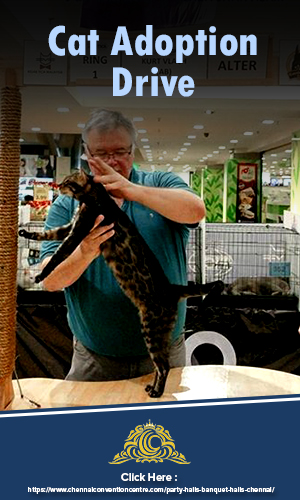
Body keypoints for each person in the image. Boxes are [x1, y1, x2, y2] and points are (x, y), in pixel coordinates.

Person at [39, 109, 205, 382]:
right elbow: (50, 280)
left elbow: (196, 210)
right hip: (94, 356)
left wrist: (130, 190)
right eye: (101, 154)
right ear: (86, 152)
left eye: (120, 152)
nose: (111, 162)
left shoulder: (159, 183)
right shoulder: (69, 203)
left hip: (164, 351)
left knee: (165, 424)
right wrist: (85, 251)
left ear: (133, 150)